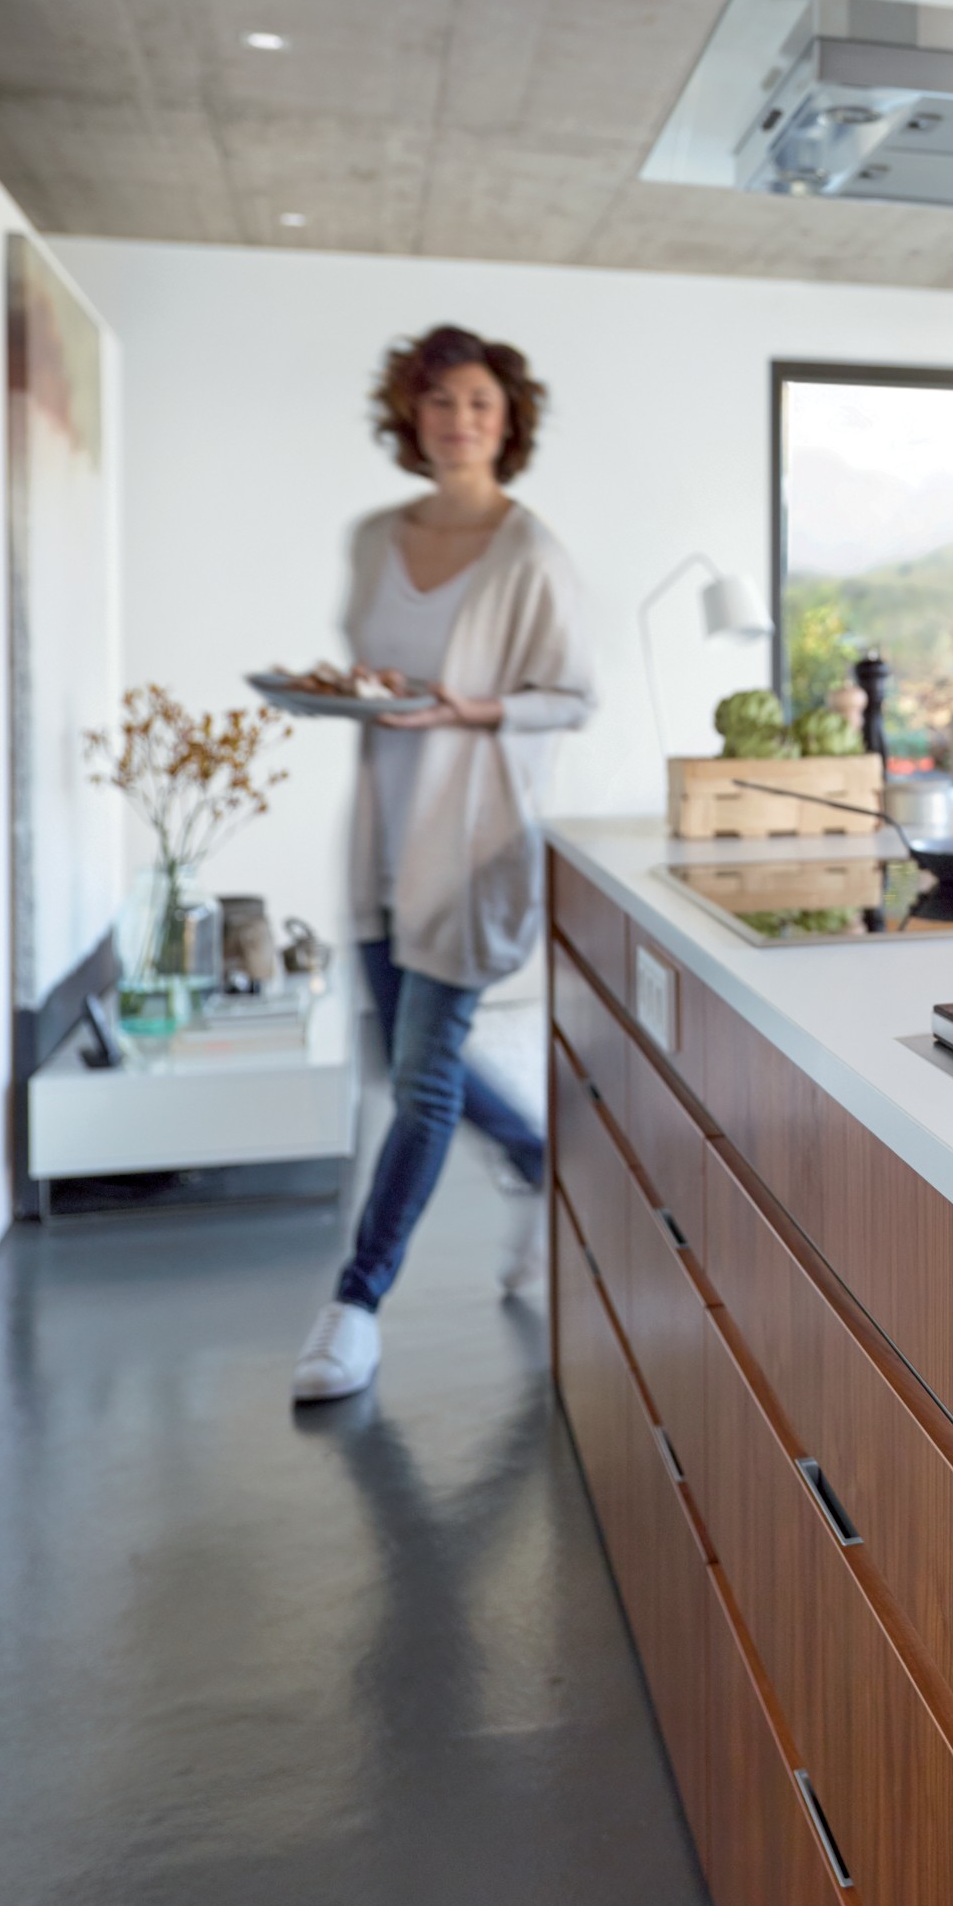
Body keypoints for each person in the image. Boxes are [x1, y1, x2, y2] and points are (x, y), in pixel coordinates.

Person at [293, 325, 594, 1404]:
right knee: (409, 1058)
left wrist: (477, 706)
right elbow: (376, 667)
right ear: (408, 417)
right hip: (380, 826)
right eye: (437, 401)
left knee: (419, 1081)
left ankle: (355, 1304)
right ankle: (547, 1158)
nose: (456, 419)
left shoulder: (531, 551)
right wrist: (361, 684)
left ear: (506, 420)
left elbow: (570, 694)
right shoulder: (374, 535)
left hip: (470, 839)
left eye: (476, 401)